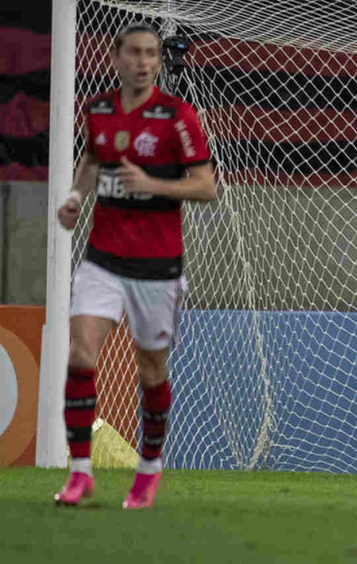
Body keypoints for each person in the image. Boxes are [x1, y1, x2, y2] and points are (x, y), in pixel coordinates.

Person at [54, 23, 216, 509]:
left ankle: (148, 469)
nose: (144, 62)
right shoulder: (98, 110)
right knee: (82, 354)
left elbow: (206, 187)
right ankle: (80, 472)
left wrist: (154, 185)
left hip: (158, 267)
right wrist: (76, 196)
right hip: (102, 258)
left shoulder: (177, 117)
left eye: (151, 54)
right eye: (135, 53)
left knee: (151, 370)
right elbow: (92, 159)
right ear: (116, 56)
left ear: (157, 62)